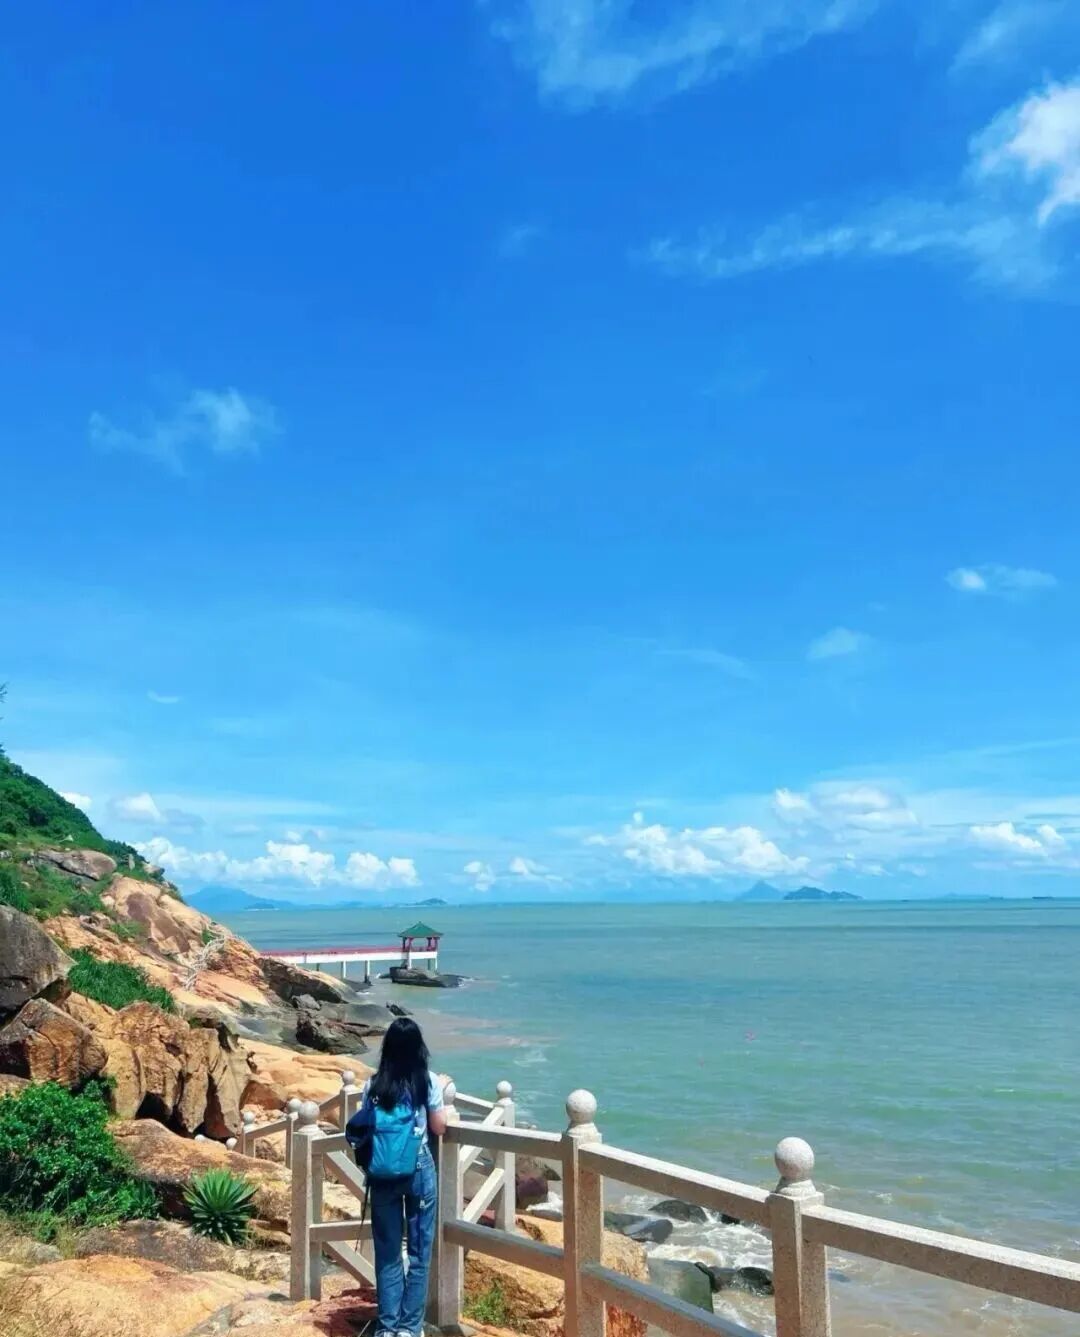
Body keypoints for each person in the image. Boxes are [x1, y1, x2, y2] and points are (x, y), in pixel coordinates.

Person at [362, 1017, 447, 1337]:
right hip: (418, 1168)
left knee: (387, 1252)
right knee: (419, 1251)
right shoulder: (427, 1081)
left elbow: (365, 1127)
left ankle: (387, 1328)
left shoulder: (373, 1085)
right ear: (418, 1048)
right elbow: (439, 1127)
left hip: (382, 1172)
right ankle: (409, 1329)